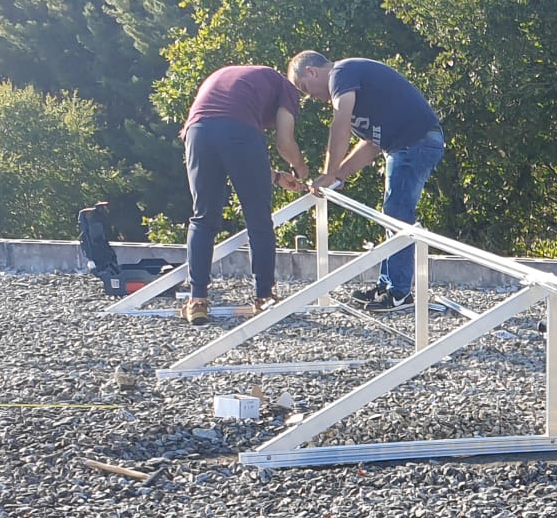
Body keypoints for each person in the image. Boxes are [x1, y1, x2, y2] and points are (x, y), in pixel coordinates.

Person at [285, 51, 444, 311]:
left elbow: (340, 125)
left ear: (312, 71)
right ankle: (387, 284)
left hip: (416, 142)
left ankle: (399, 293)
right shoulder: (356, 89)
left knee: (397, 214)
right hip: (402, 145)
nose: (310, 97)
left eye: (305, 88)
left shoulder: (341, 73)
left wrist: (328, 171)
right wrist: (339, 176)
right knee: (392, 213)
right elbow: (371, 145)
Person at [179, 65, 310, 325]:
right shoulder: (288, 88)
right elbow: (284, 142)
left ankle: (197, 301)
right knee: (258, 220)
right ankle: (264, 297)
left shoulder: (238, 80)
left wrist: (274, 176)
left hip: (197, 132)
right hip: (237, 132)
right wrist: (302, 171)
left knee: (203, 218)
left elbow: (221, 137)